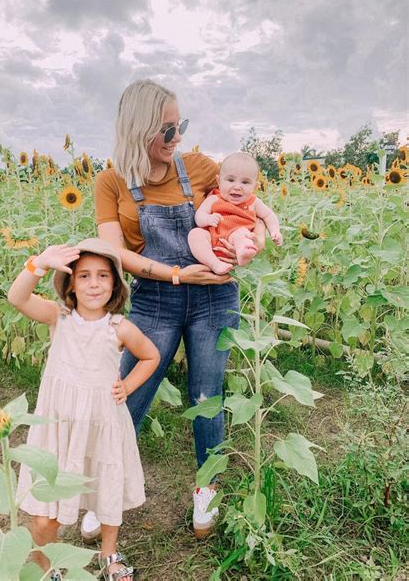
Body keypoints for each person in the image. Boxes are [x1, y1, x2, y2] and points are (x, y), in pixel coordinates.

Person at [87, 79, 266, 539]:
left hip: (213, 299)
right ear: (139, 130)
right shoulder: (110, 183)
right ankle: (102, 491)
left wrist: (247, 243)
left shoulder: (201, 168)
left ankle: (205, 491)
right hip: (155, 300)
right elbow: (114, 254)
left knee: (206, 396)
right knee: (127, 393)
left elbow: (246, 204)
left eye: (179, 126)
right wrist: (173, 274)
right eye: (167, 130)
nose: (178, 138)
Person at [8, 239, 159, 581]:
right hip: (58, 425)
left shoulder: (119, 328)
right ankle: (46, 566)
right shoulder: (58, 317)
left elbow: (151, 355)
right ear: (71, 284)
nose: (94, 283)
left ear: (116, 284)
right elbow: (17, 298)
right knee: (46, 508)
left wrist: (129, 385)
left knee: (105, 486)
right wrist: (40, 263)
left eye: (103, 276)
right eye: (85, 276)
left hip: (101, 421)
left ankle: (109, 554)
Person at [188, 151, 283, 274]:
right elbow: (199, 216)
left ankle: (244, 253)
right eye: (231, 180)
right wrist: (207, 219)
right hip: (212, 240)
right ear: (219, 181)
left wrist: (275, 231)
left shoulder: (254, 202)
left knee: (242, 234)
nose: (237, 186)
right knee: (195, 234)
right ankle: (214, 263)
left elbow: (269, 215)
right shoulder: (214, 199)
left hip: (236, 239)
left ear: (255, 187)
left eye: (245, 182)